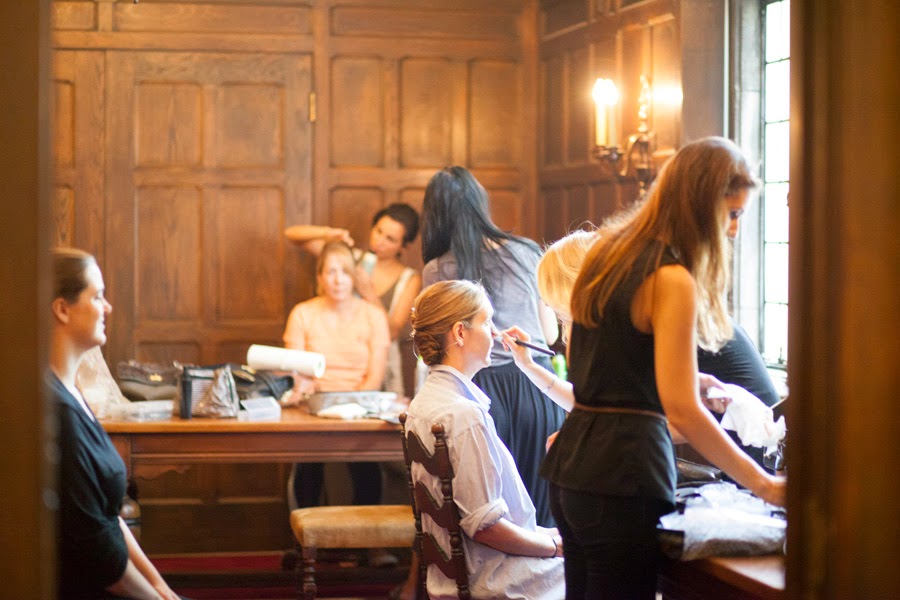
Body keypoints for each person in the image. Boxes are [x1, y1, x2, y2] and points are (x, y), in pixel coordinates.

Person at [539, 137, 787, 600]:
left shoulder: (606, 257)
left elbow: (601, 370)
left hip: (571, 472)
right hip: (623, 478)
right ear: (701, 204)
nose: (734, 230)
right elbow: (684, 413)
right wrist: (765, 485)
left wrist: (692, 378)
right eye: (733, 214)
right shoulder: (671, 278)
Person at [420, 165, 563, 527]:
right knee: (542, 515)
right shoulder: (527, 252)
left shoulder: (438, 269)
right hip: (538, 386)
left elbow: (439, 346)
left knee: (494, 512)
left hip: (479, 391)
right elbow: (548, 335)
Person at [405, 280, 565, 600]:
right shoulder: (464, 415)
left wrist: (554, 537)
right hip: (493, 578)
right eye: (487, 321)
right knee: (614, 573)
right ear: (460, 333)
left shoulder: (423, 403)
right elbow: (486, 528)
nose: (494, 332)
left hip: (468, 571)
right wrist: (552, 546)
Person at [48, 247, 182, 600]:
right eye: (97, 296)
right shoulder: (55, 411)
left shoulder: (72, 392)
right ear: (62, 309)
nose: (107, 307)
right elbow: (100, 559)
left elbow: (109, 517)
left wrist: (163, 589)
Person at [282, 241, 390, 519]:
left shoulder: (374, 315)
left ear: (355, 276)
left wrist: (350, 408)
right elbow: (296, 373)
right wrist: (310, 395)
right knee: (308, 467)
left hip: (361, 407)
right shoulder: (303, 313)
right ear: (319, 277)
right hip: (312, 407)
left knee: (366, 470)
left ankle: (367, 537)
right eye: (330, 272)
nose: (338, 280)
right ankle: (306, 534)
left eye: (345, 271)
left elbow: (375, 377)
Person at [285, 203, 422, 396]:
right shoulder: (348, 259)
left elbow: (393, 331)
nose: (379, 241)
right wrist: (330, 234)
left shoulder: (408, 279)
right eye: (378, 231)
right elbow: (292, 234)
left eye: (390, 239)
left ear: (404, 246)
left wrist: (369, 293)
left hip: (380, 366)